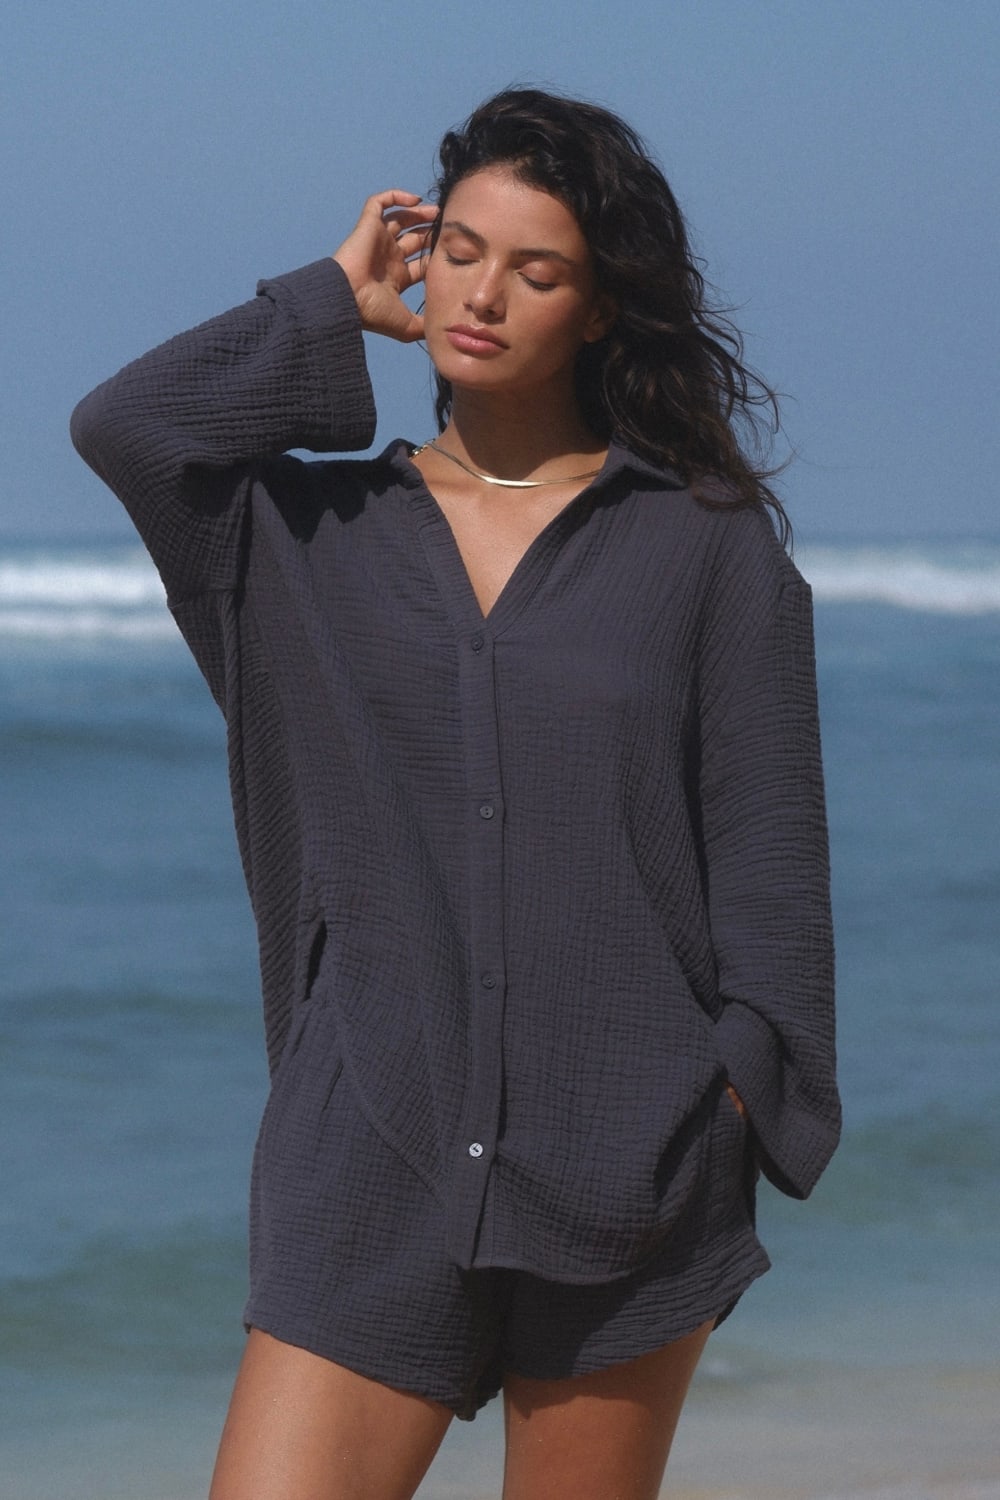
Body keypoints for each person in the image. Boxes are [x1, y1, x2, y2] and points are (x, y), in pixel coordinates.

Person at [71, 87, 840, 1500]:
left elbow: (771, 865)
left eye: (536, 271)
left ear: (599, 310)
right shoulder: (300, 540)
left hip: (632, 1163)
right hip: (367, 1156)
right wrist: (325, 303)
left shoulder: (704, 550)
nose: (481, 297)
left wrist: (731, 1111)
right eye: (462, 252)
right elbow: (130, 427)